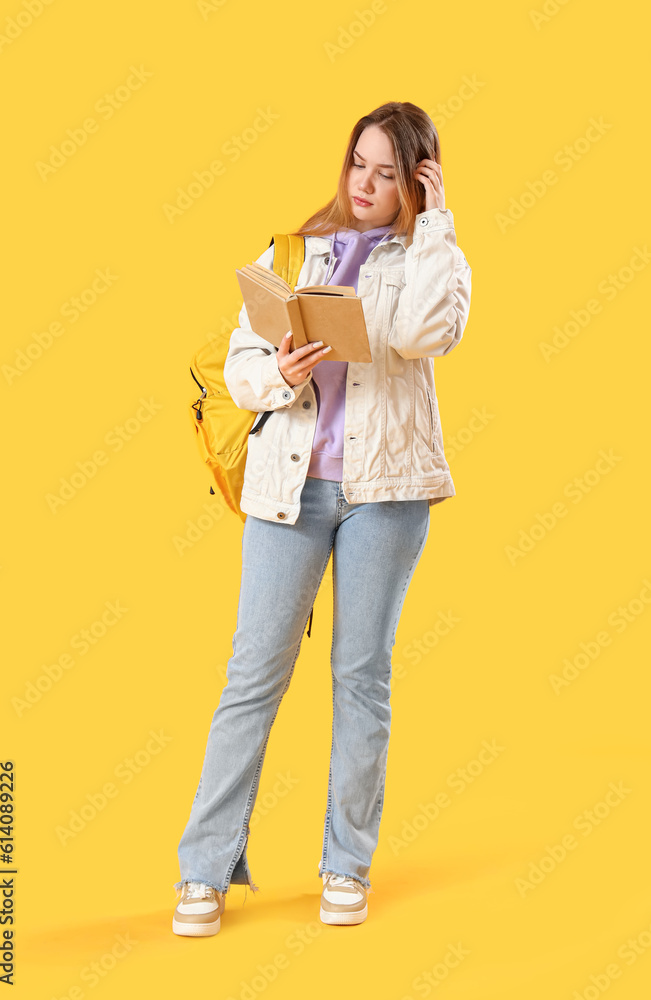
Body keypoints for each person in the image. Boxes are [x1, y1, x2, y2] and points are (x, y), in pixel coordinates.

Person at [172, 101, 472, 936]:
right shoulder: (292, 252)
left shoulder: (431, 256)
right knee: (251, 676)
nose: (367, 184)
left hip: (386, 493)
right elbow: (239, 373)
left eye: (390, 171)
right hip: (288, 488)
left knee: (359, 677)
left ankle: (346, 865)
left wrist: (436, 218)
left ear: (416, 178)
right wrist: (280, 370)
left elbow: (422, 333)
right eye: (359, 165)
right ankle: (202, 871)